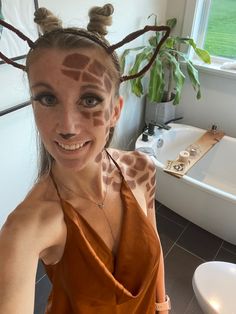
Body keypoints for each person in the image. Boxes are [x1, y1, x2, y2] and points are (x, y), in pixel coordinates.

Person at [0, 4, 171, 314]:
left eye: (89, 99)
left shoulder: (140, 169)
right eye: (48, 98)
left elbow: (154, 245)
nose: (67, 127)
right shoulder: (25, 228)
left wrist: (162, 306)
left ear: (115, 111)